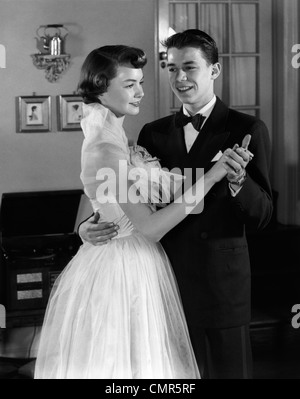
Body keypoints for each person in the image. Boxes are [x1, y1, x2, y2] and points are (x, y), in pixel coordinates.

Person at [34, 44, 246, 379]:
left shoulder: (115, 136)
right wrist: (213, 175)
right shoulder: (105, 147)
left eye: (141, 82)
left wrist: (84, 226)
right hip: (121, 269)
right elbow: (149, 228)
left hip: (152, 265)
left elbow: (98, 197)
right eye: (129, 84)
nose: (141, 92)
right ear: (102, 87)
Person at [79, 30, 273, 379]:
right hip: (158, 285)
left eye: (189, 67)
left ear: (214, 70)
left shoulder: (247, 128)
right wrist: (85, 227)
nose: (179, 78)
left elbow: (263, 216)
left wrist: (236, 181)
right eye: (171, 68)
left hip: (220, 290)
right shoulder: (152, 133)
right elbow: (112, 196)